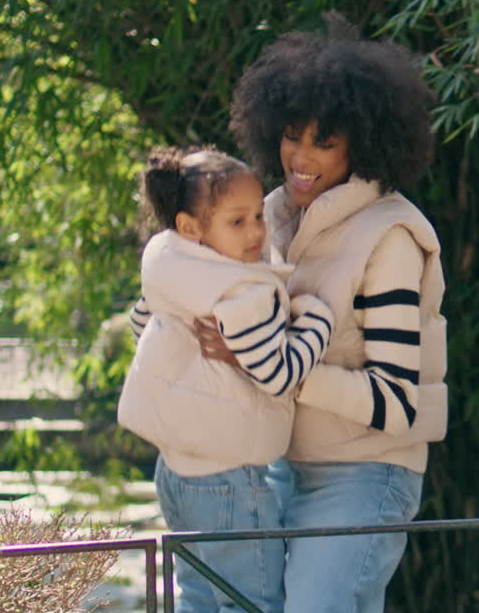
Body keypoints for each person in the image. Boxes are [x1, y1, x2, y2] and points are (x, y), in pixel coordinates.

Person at [205, 14, 448, 613]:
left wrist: (276, 365)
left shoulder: (390, 234)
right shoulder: (270, 216)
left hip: (367, 474)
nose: (301, 156)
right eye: (291, 134)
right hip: (283, 465)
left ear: (363, 144)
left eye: (324, 141)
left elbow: (397, 400)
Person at [117, 145, 335, 613]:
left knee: (198, 597)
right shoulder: (242, 291)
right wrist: (315, 317)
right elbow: (279, 374)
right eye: (237, 222)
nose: (256, 231)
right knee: (252, 603)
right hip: (230, 479)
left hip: (175, 473)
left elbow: (141, 325)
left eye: (257, 216)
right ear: (191, 227)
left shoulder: (168, 268)